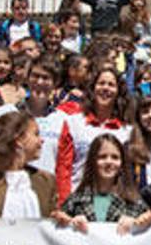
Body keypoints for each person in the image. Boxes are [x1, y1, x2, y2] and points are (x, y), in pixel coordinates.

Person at [56, 67, 132, 201]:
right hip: (78, 202)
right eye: (101, 83)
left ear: (118, 91)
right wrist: (64, 203)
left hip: (114, 205)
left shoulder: (127, 130)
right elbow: (63, 168)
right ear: (93, 88)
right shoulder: (74, 123)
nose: (105, 88)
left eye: (111, 85)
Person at [59, 133, 151, 233]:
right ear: (92, 162)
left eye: (115, 157)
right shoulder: (75, 201)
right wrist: (68, 221)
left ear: (122, 164)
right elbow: (57, 228)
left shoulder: (134, 201)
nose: (109, 162)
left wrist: (139, 222)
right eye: (102, 157)